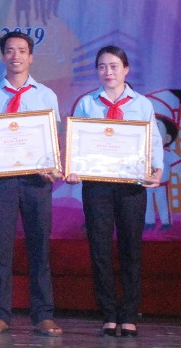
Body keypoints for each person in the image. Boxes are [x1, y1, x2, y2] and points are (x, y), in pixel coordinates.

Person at [66, 46, 163, 337]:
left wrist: (157, 169)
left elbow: (153, 139)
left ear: (126, 69)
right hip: (97, 186)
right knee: (100, 248)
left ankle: (129, 314)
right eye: (102, 67)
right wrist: (73, 167)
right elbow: (77, 141)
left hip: (131, 185)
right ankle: (108, 314)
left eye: (114, 66)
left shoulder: (141, 104)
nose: (108, 72)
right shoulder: (87, 103)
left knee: (131, 248)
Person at [0, 31, 62, 336]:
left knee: (40, 249)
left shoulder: (46, 95)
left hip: (38, 182)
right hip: (3, 182)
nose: (16, 56)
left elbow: (53, 138)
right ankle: (0, 314)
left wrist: (54, 165)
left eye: (22, 50)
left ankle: (43, 315)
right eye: (10, 50)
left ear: (31, 57)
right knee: (1, 249)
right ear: (3, 56)